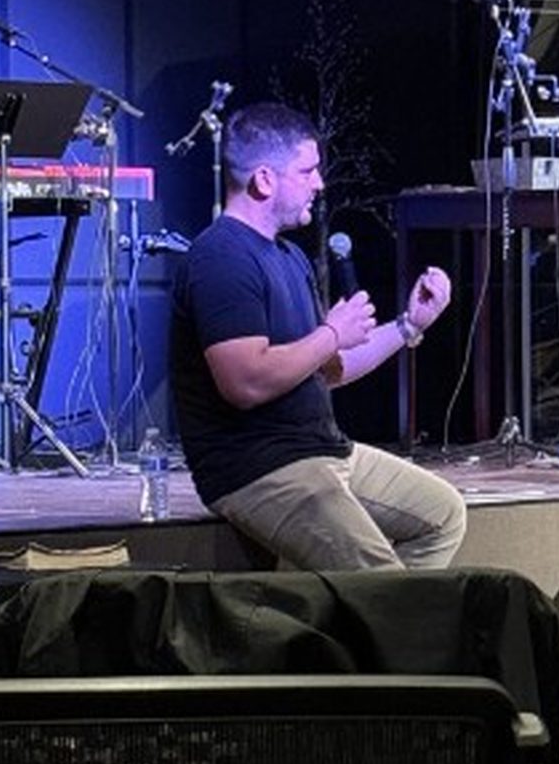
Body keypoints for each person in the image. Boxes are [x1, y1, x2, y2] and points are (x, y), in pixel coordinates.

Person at [170, 101, 465, 571]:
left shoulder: (289, 257)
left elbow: (329, 369)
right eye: (307, 171)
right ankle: (384, 625)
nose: (319, 183)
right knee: (384, 584)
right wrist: (331, 332)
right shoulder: (220, 257)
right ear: (264, 180)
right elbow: (244, 383)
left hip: (323, 450)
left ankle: (367, 628)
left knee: (443, 515)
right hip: (260, 468)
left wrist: (409, 325)